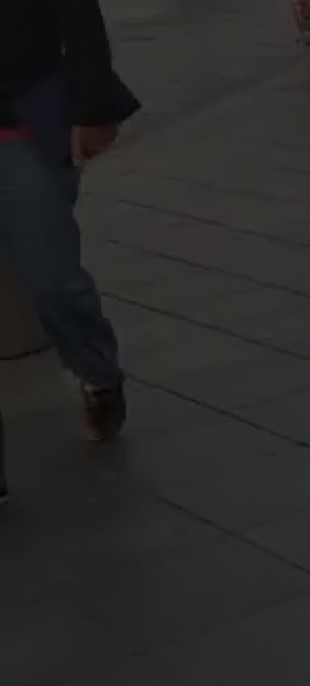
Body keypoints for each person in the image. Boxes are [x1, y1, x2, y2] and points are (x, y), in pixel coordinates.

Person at [0, 0, 140, 461]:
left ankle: (97, 372)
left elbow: (78, 18)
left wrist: (92, 108)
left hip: (19, 128)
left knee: (51, 281)